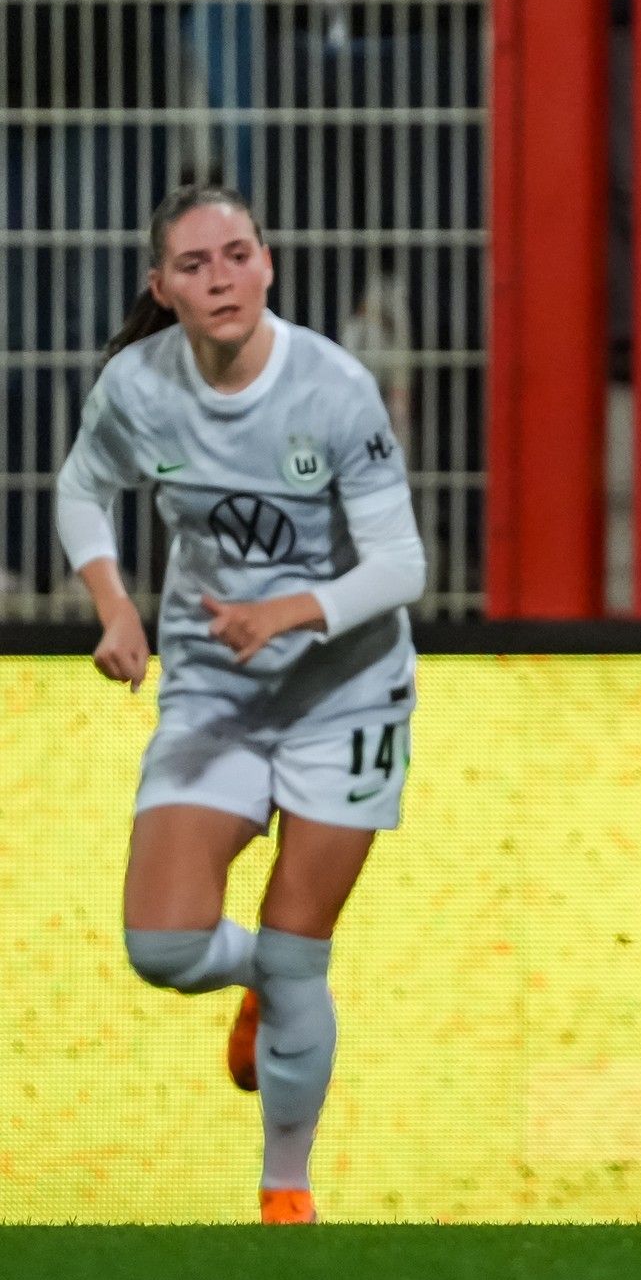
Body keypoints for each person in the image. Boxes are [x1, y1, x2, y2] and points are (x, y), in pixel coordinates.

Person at [54, 183, 426, 1225]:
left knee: (302, 944)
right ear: (160, 287)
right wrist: (115, 605)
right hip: (213, 683)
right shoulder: (139, 385)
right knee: (164, 948)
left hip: (346, 691)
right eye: (195, 264)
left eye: (237, 256)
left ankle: (283, 1193)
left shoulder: (333, 388)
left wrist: (290, 611)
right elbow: (83, 488)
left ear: (268, 265)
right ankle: (270, 975)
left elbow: (402, 564)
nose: (220, 278)